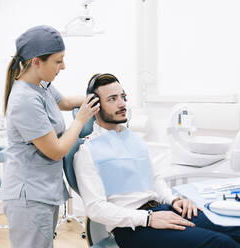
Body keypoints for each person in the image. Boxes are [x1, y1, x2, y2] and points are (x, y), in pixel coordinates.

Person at [73, 73, 240, 248]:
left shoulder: (134, 139)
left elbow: (154, 179)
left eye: (123, 97)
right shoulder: (88, 152)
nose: (122, 103)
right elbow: (96, 208)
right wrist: (148, 219)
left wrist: (174, 200)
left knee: (236, 229)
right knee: (220, 244)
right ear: (95, 106)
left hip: (163, 209)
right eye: (112, 99)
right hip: (132, 228)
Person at [0, 25, 99, 248]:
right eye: (58, 61)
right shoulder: (24, 99)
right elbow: (56, 150)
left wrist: (100, 95)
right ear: (36, 62)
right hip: (29, 197)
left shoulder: (41, 86)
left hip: (44, 189)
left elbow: (65, 102)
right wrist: (80, 119)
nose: (63, 66)